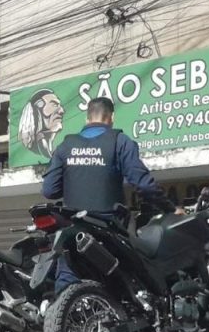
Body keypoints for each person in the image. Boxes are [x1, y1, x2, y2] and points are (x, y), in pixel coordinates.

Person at [42, 97, 178, 292]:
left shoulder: (65, 146)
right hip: (110, 233)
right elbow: (144, 186)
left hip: (72, 231)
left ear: (87, 118)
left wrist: (77, 178)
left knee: (65, 289)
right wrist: (170, 209)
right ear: (111, 117)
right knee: (128, 287)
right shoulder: (120, 142)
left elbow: (49, 190)